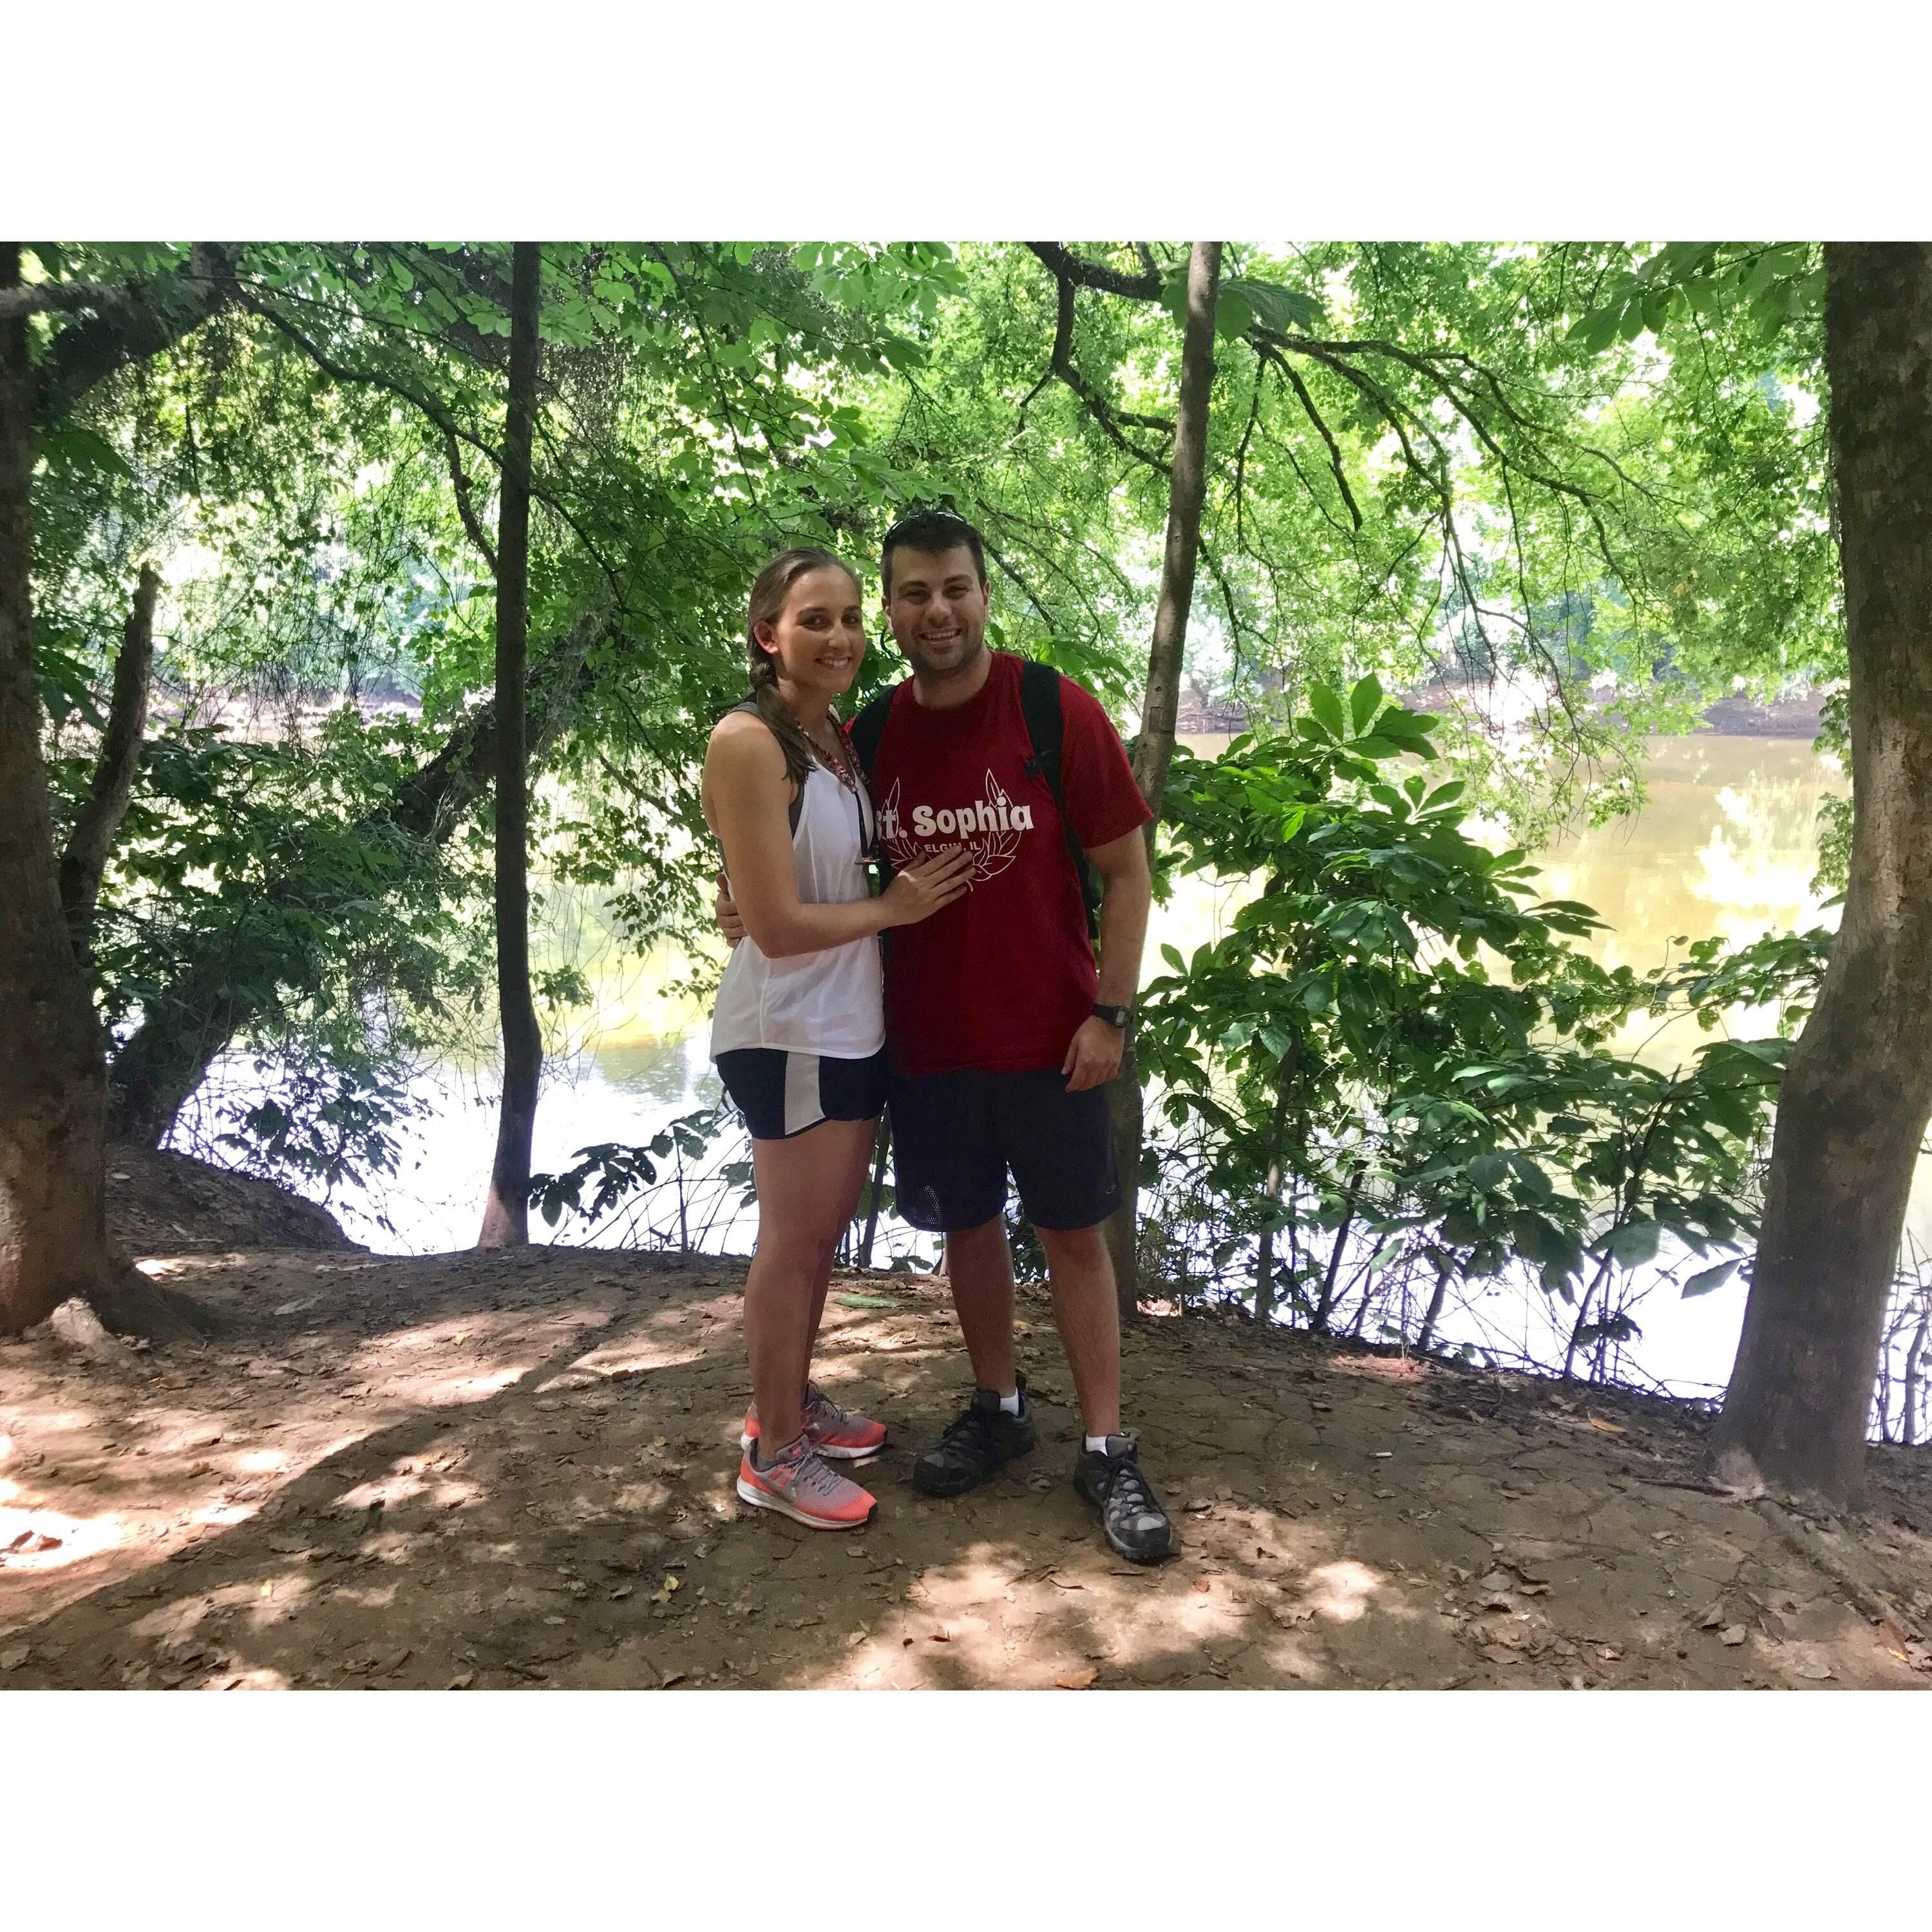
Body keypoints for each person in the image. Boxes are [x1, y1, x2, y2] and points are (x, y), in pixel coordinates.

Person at [719, 509, 1176, 1563]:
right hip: (921, 1043)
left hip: (1055, 1036)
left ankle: (1107, 1446)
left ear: (982, 593)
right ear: (894, 609)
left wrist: (1112, 1011)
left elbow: (1127, 872)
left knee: (1072, 1236)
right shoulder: (865, 732)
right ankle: (999, 1408)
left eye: (956, 588)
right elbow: (792, 854)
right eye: (915, 593)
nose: (938, 610)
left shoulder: (1053, 710)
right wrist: (738, 899)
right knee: (966, 1228)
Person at [703, 546, 973, 1531]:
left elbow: (770, 887)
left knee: (818, 1244)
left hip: (846, 1024)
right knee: (796, 1240)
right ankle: (772, 1452)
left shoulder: (831, 741)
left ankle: (792, 1405)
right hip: (790, 1031)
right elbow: (773, 928)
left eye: (852, 618)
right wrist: (893, 908)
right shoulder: (749, 741)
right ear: (766, 634)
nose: (842, 637)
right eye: (815, 619)